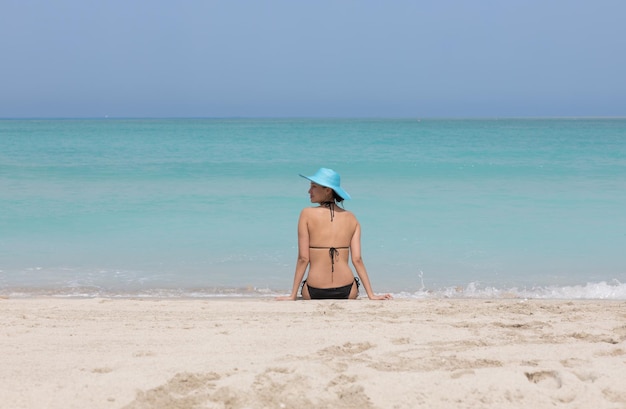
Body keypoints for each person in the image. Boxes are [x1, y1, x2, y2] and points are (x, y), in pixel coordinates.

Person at [276, 168, 392, 301]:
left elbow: (303, 258)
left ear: (328, 190)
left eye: (313, 187)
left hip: (314, 290)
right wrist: (372, 295)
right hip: (347, 290)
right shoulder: (352, 218)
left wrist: (292, 295)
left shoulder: (306, 214)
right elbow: (357, 259)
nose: (309, 191)